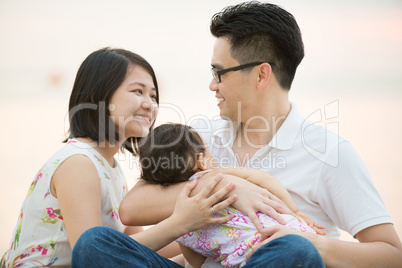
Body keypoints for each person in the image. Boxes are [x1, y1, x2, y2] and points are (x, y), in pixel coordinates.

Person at [122, 1, 402, 267]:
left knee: (294, 252)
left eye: (219, 73)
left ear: (261, 75)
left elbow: (392, 256)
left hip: (280, 261)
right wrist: (228, 185)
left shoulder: (329, 152)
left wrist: (312, 243)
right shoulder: (200, 137)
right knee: (95, 243)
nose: (211, 84)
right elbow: (132, 208)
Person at [0, 47, 162, 267]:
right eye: (137, 91)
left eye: (153, 95)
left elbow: (137, 246)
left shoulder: (111, 166)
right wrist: (181, 223)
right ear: (97, 97)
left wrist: (198, 230)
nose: (149, 104)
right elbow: (93, 256)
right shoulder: (79, 164)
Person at [133, 122, 325, 267]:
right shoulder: (216, 176)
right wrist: (295, 211)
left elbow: (196, 263)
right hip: (288, 232)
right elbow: (264, 178)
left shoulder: (180, 222)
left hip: (248, 259)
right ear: (201, 162)